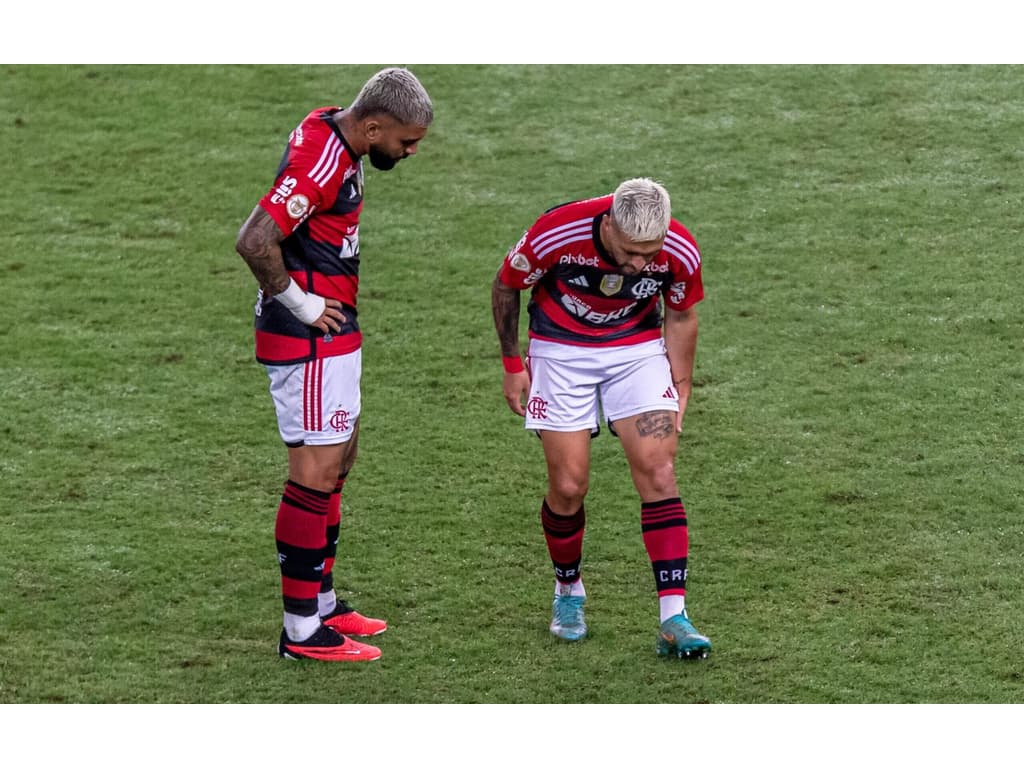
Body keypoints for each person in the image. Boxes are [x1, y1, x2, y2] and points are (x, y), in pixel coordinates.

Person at [235, 67, 433, 662]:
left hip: (333, 335)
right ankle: (301, 633)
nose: (411, 151)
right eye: (407, 140)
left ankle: (321, 602)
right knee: (313, 474)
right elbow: (254, 239)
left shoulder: (334, 130)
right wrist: (301, 303)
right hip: (307, 340)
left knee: (338, 461)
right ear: (373, 127)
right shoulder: (320, 163)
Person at [491, 177, 712, 659]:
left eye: (649, 253)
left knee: (659, 470)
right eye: (631, 252)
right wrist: (512, 364)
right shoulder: (557, 231)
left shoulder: (678, 249)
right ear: (608, 223)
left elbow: (680, 315)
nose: (640, 265)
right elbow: (508, 285)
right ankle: (568, 591)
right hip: (560, 351)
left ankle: (674, 616)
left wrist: (681, 383)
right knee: (569, 487)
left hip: (635, 351)